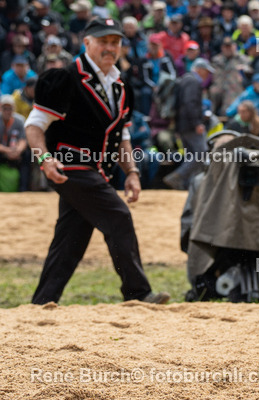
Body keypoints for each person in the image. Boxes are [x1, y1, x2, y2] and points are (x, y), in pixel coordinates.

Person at [25, 19, 169, 305]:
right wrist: (44, 158)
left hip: (97, 170)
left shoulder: (120, 86)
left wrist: (132, 171)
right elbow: (34, 125)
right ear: (86, 43)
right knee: (118, 215)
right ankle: (138, 292)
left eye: (115, 42)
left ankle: (42, 302)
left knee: (70, 238)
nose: (110, 48)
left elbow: (122, 134)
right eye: (103, 41)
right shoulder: (65, 78)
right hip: (70, 165)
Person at [163, 58, 212, 191]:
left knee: (190, 155)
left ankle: (188, 185)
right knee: (201, 153)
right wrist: (197, 123)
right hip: (190, 124)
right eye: (206, 71)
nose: (207, 74)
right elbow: (190, 103)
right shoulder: (192, 81)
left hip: (182, 124)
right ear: (200, 69)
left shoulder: (185, 79)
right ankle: (177, 176)